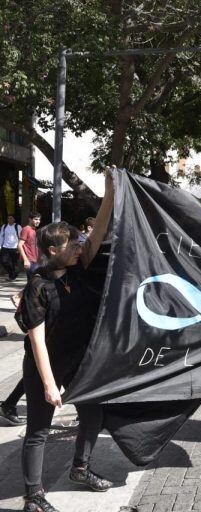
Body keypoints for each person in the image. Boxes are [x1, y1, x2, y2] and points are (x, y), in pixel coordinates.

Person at [19, 172, 115, 512]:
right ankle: (33, 497)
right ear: (52, 251)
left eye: (78, 243)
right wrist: (49, 384)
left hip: (78, 361)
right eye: (72, 244)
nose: (80, 247)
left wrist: (109, 193)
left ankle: (81, 468)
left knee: (93, 414)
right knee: (39, 431)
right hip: (46, 364)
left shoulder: (78, 270)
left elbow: (98, 232)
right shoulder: (38, 286)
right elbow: (37, 342)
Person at [18, 212, 42, 279]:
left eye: (39, 219)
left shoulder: (34, 230)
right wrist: (25, 260)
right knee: (35, 279)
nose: (38, 221)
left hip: (35, 260)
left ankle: (27, 290)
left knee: (32, 282)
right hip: (29, 260)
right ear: (30, 219)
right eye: (36, 219)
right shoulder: (26, 229)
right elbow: (19, 245)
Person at [1, 214, 22, 280]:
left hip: (15, 247)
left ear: (14, 219)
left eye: (11, 218)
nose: (10, 219)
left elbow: (21, 237)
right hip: (5, 246)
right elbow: (1, 236)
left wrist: (19, 247)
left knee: (14, 263)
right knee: (3, 261)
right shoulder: (4, 226)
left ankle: (12, 276)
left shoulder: (17, 226)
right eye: (8, 218)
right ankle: (12, 273)